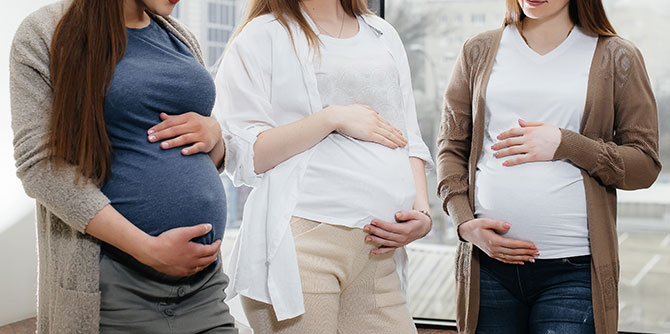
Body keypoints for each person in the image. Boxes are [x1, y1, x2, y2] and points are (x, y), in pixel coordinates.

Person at [10, 0, 236, 332]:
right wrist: (148, 249)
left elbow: (190, 150)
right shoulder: (44, 33)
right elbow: (39, 164)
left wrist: (215, 133)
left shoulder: (179, 37)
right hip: (113, 288)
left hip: (204, 288)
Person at [437, 0, 661, 333]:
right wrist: (464, 224)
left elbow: (644, 164)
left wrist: (566, 144)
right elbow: (451, 147)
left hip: (573, 272)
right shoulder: (478, 50)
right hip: (488, 268)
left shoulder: (617, 56)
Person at [214, 0, 434, 332]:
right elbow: (244, 155)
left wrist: (424, 213)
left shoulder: (382, 33)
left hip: (378, 254)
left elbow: (409, 136)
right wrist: (332, 118)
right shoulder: (262, 35)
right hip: (303, 249)